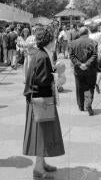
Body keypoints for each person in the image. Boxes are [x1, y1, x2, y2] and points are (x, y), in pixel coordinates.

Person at [23, 25, 65, 179]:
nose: (55, 41)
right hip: (41, 101)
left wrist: (53, 71)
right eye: (53, 39)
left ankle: (41, 163)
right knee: (41, 134)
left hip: (37, 100)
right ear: (49, 41)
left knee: (43, 133)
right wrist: (57, 75)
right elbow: (42, 81)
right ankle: (38, 169)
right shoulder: (42, 56)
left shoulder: (40, 54)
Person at [69, 27, 97, 116]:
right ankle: (88, 104)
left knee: (79, 87)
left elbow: (72, 56)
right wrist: (87, 64)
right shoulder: (93, 42)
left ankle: (81, 105)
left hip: (78, 69)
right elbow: (95, 55)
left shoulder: (72, 43)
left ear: (79, 33)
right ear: (87, 32)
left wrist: (80, 64)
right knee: (90, 87)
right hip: (90, 70)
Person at [89, 23, 101, 93]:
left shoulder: (89, 35)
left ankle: (91, 83)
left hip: (91, 55)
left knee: (92, 70)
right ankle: (97, 82)